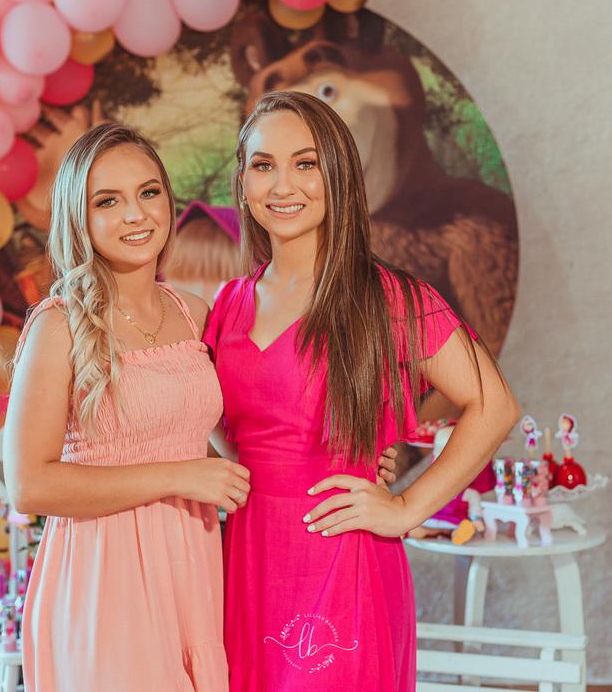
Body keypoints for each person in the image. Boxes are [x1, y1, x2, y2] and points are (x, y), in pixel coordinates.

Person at [204, 90, 520, 691]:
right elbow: (216, 417)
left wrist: (405, 508)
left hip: (342, 554)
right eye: (263, 165)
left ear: (339, 175)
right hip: (246, 557)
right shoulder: (228, 304)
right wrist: (247, 472)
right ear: (243, 183)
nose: (282, 184)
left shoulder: (388, 297)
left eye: (305, 163)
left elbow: (494, 405)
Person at [3, 122, 251, 692]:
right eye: (107, 201)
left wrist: (351, 459)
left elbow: (237, 443)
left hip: (192, 574)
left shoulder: (194, 312)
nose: (136, 215)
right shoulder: (58, 326)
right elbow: (29, 486)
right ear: (79, 218)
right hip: (104, 583)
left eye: (148, 192)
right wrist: (181, 475)